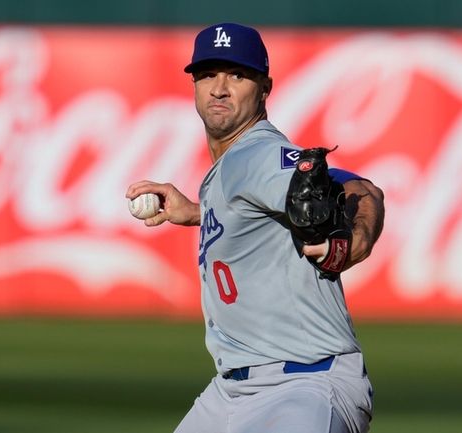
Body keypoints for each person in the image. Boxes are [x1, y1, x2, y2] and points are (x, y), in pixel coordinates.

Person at [125, 22, 384, 433]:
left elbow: (358, 189)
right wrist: (197, 211)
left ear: (265, 87)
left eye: (237, 75)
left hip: (303, 385)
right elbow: (263, 206)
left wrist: (356, 237)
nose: (219, 88)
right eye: (208, 74)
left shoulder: (257, 153)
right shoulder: (232, 168)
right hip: (230, 393)